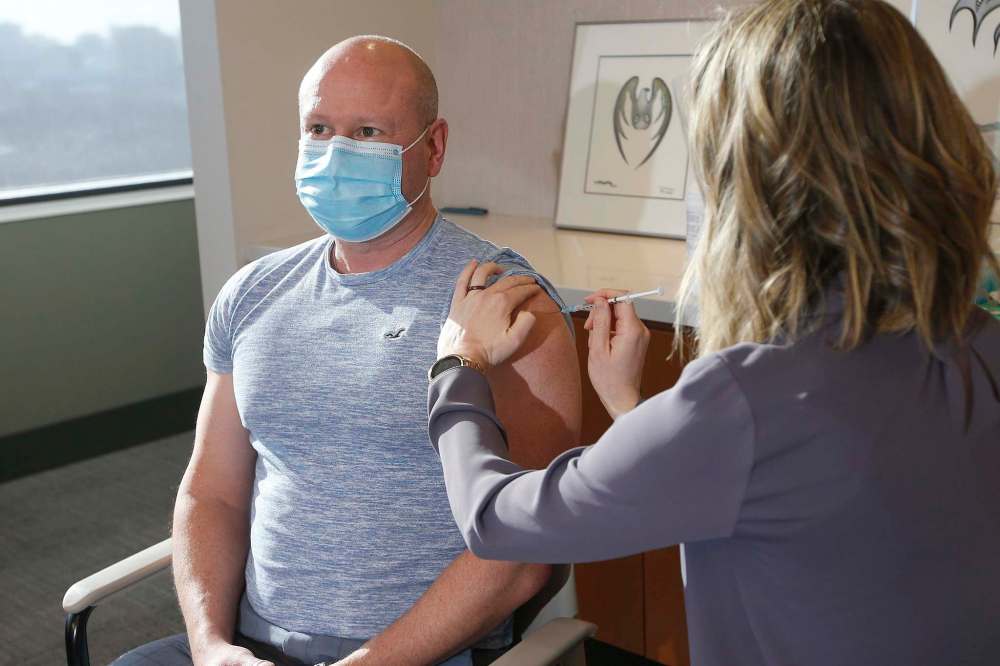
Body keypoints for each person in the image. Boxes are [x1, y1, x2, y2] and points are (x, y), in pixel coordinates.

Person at [426, 1, 1000, 665]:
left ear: (751, 183)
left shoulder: (749, 397)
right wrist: (632, 410)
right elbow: (776, 491)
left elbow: (497, 519)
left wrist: (458, 367)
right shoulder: (978, 343)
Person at [115, 36, 581, 666]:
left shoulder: (504, 305)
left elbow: (526, 551)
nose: (336, 154)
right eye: (318, 129)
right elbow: (212, 491)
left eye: (367, 132)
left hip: (421, 654)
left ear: (434, 147)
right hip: (250, 647)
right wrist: (211, 646)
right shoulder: (252, 294)